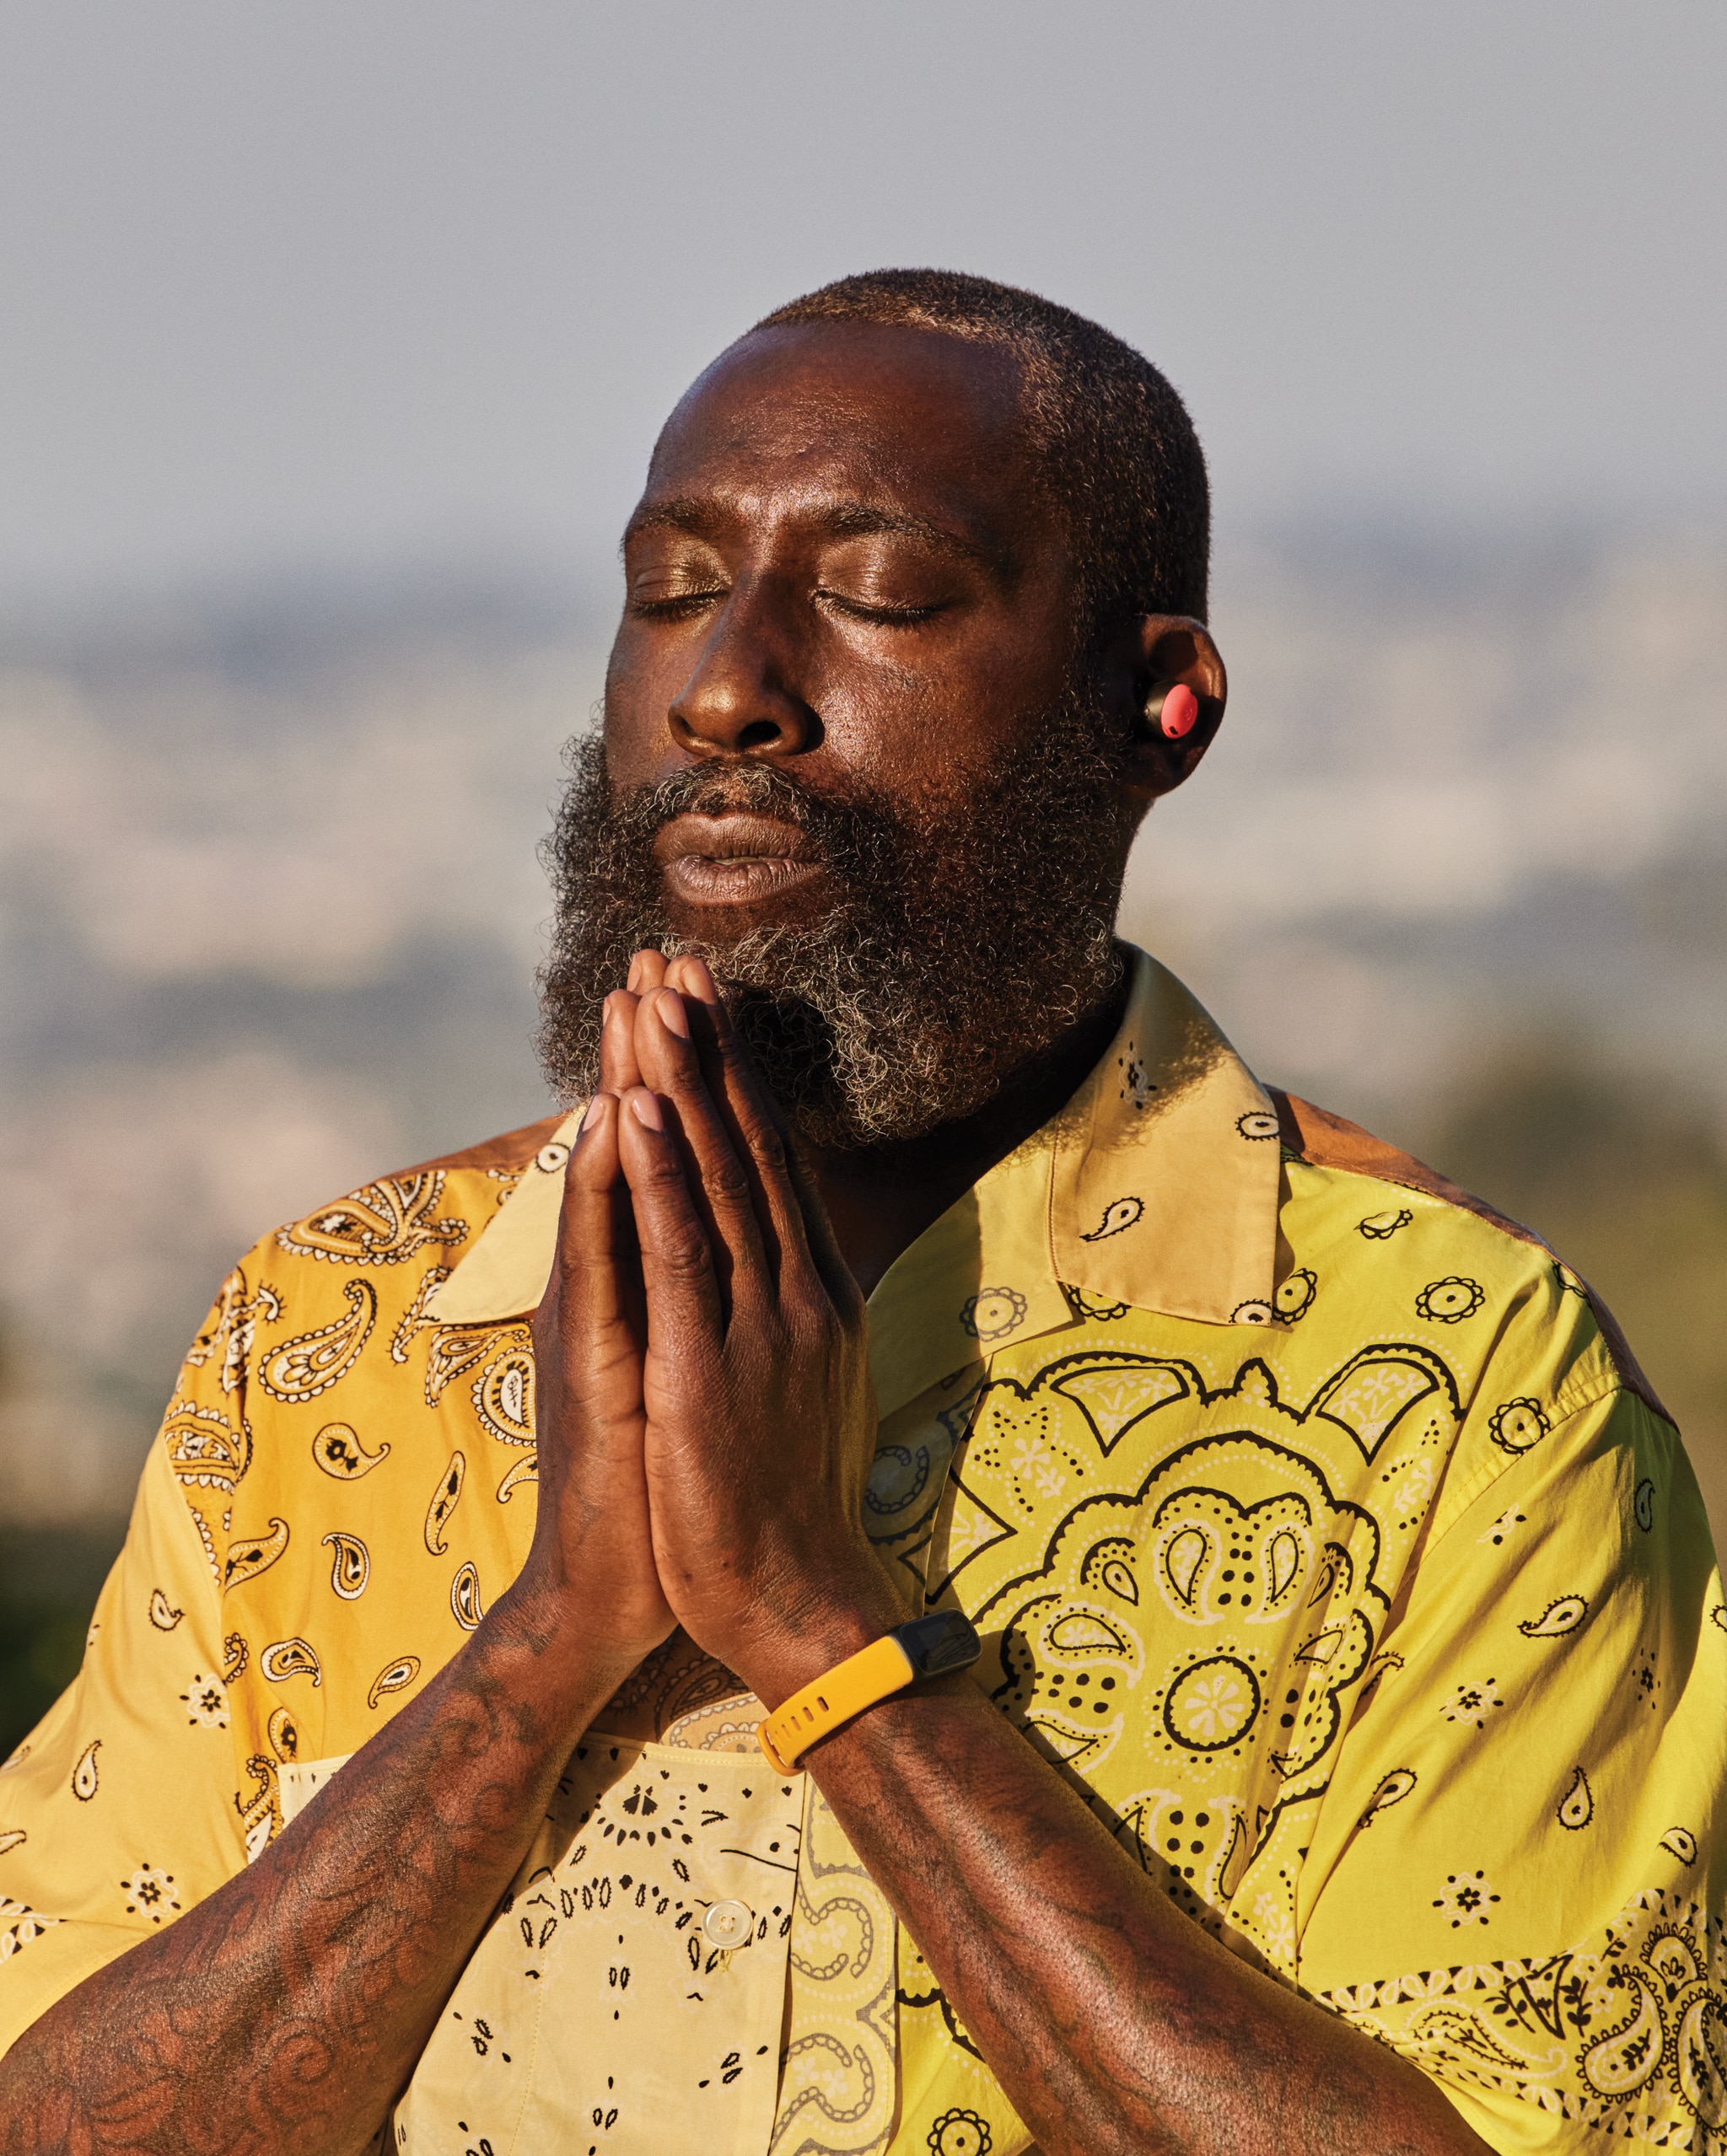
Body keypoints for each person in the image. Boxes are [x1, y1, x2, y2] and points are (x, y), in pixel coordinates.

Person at [0, 269, 1720, 2156]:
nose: (725, 684)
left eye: (876, 593)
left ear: (1156, 703)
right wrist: (548, 1645)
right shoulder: (331, 1328)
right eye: (669, 589)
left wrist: (825, 1632)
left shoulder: (1451, 1380)